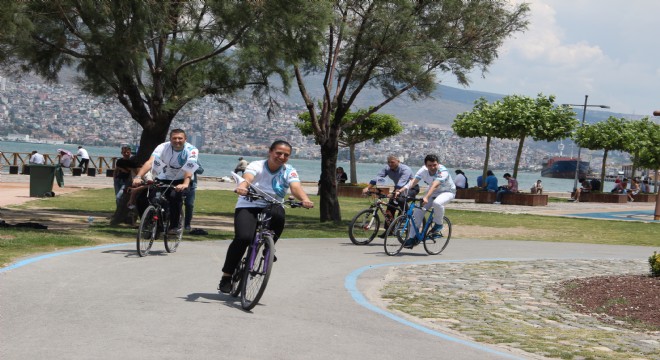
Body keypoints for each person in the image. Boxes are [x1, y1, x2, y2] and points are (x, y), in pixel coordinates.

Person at [218, 140, 313, 293]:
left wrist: (305, 199)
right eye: (278, 153)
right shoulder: (257, 165)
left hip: (273, 205)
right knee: (243, 238)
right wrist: (242, 186)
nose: (281, 157)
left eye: (286, 155)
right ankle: (226, 276)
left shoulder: (289, 170)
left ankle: (269, 247)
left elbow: (295, 187)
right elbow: (248, 178)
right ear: (270, 152)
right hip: (249, 203)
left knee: (279, 215)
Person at [131, 128, 198, 234]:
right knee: (143, 198)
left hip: (182, 179)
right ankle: (149, 224)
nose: (177, 141)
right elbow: (150, 162)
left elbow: (189, 168)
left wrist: (185, 184)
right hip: (164, 177)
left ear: (185, 139)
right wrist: (138, 176)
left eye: (180, 138)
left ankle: (174, 226)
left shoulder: (192, 150)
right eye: (174, 138)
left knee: (174, 197)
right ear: (170, 139)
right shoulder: (162, 147)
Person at [394, 154, 456, 246]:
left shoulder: (442, 171)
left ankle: (439, 224)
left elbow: (435, 185)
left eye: (434, 165)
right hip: (432, 192)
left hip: (447, 192)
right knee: (417, 213)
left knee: (437, 203)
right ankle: (412, 238)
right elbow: (413, 182)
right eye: (430, 165)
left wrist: (426, 197)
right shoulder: (423, 170)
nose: (432, 167)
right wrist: (401, 190)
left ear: (438, 164)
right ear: (426, 165)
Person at [362, 155, 419, 237]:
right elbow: (378, 178)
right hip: (398, 188)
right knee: (390, 207)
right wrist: (368, 188)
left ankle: (408, 214)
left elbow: (401, 182)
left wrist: (394, 193)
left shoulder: (405, 169)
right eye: (388, 162)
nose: (390, 164)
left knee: (400, 200)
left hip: (411, 188)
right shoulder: (387, 168)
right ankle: (389, 230)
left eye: (392, 162)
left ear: (398, 162)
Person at [184, 160, 204, 231]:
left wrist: (191, 167)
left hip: (191, 185)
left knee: (189, 205)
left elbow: (201, 170)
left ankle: (187, 224)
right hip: (178, 183)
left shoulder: (194, 159)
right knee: (176, 204)